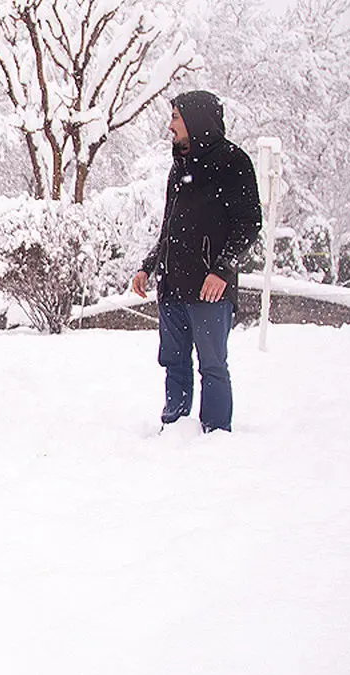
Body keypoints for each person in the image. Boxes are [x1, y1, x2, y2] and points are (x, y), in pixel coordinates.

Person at [131, 89, 262, 433]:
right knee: (173, 360)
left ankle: (215, 432)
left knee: (212, 365)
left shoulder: (233, 163)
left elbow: (249, 223)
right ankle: (174, 423)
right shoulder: (180, 167)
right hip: (173, 287)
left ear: (196, 119)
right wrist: (149, 265)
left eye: (175, 117)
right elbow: (169, 227)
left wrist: (222, 270)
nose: (170, 125)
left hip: (209, 289)